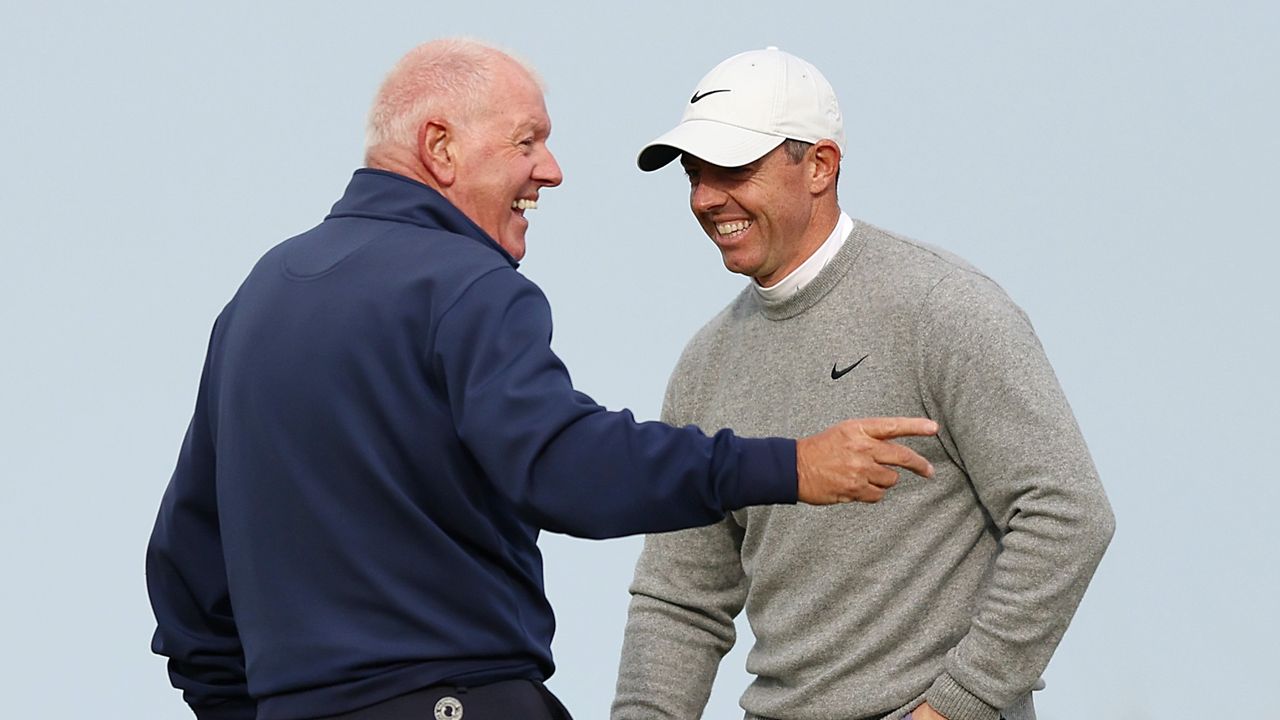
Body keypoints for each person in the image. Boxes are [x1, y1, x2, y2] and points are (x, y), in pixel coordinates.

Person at [145, 39, 941, 720]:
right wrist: (790, 466)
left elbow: (188, 569)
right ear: (441, 147)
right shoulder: (466, 283)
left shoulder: (262, 295)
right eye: (527, 141)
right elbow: (564, 468)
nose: (551, 170)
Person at [611, 47, 1115, 720]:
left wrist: (955, 707)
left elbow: (1067, 513)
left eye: (732, 168)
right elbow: (680, 598)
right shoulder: (705, 364)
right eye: (694, 173)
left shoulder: (942, 308)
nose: (705, 197)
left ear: (820, 165)